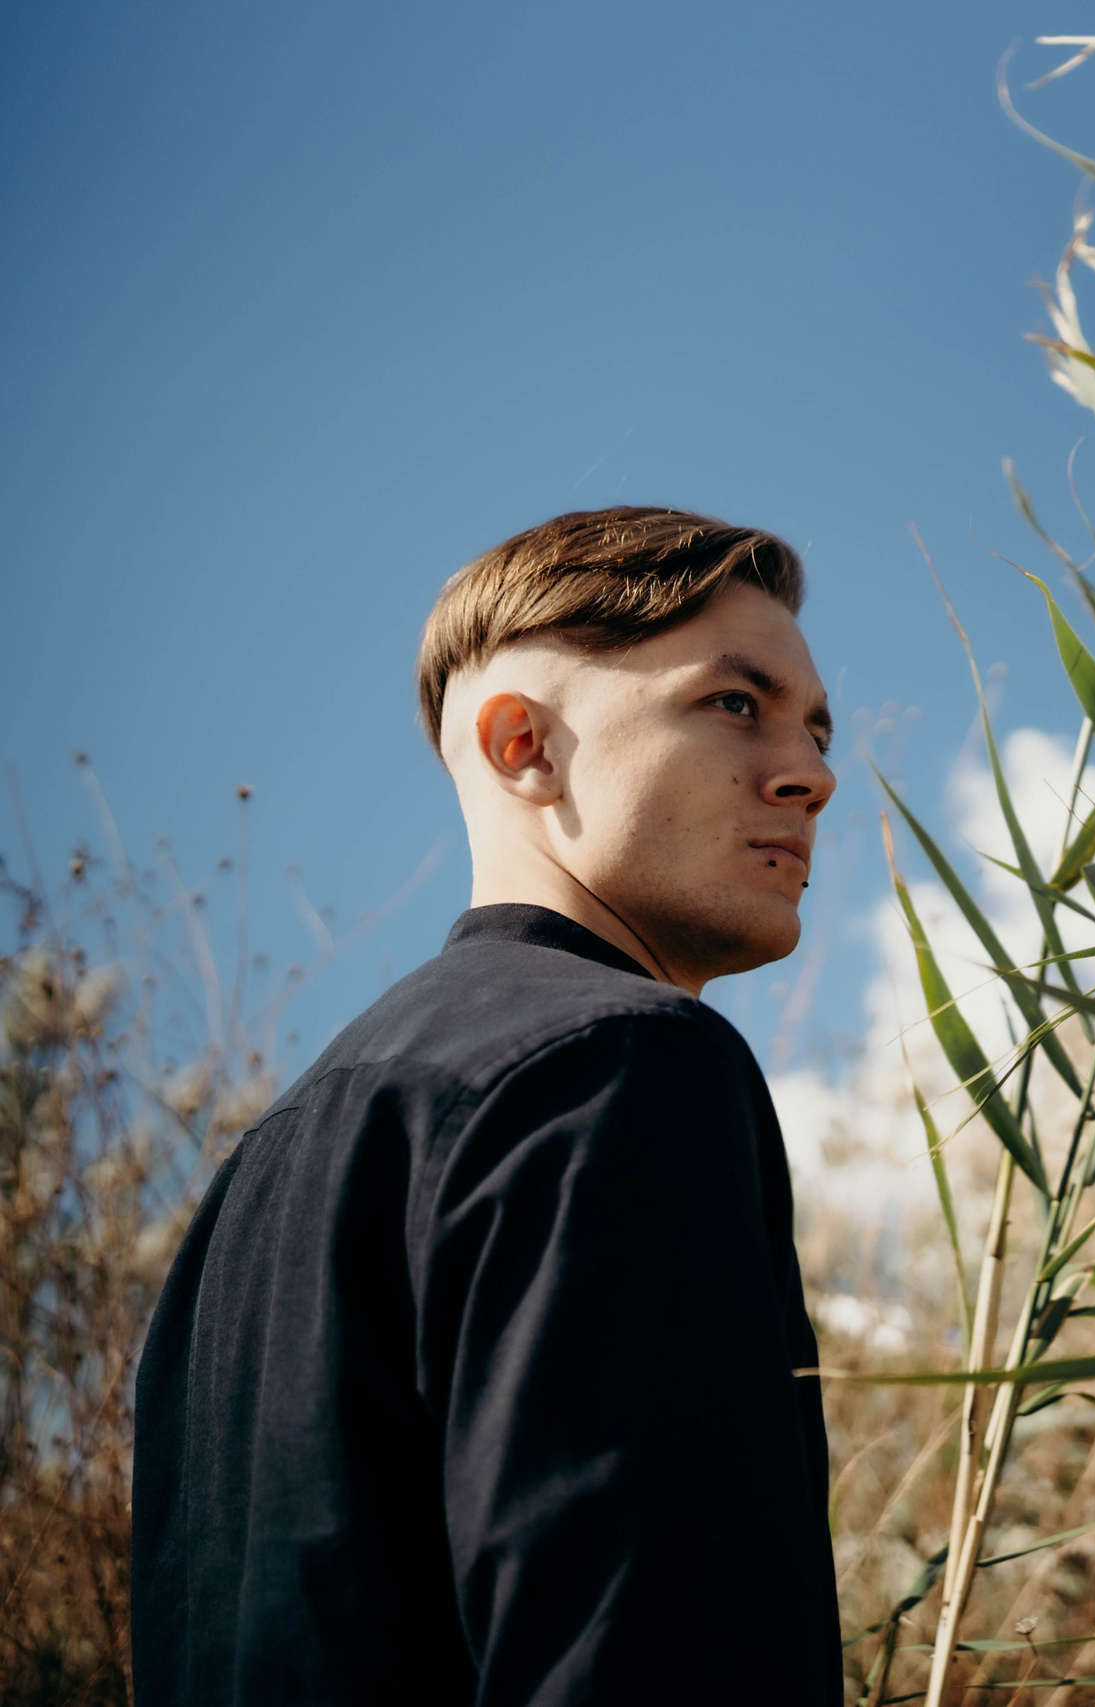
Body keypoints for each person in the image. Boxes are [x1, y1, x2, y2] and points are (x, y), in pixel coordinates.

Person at [132, 508, 846, 1704]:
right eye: (736, 703)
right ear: (524, 746)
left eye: (817, 731)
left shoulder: (261, 1173)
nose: (812, 775)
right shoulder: (621, 1065)